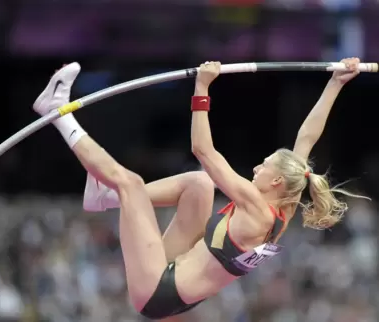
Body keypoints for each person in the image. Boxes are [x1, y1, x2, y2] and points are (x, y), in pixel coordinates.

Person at [33, 59, 367, 320]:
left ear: (276, 181)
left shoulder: (254, 206)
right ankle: (103, 198)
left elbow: (203, 150)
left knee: (130, 183)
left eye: (263, 166)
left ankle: (56, 113)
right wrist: (335, 84)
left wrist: (202, 87)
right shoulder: (287, 203)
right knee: (199, 184)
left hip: (157, 292)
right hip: (177, 274)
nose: (255, 168)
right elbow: (307, 137)